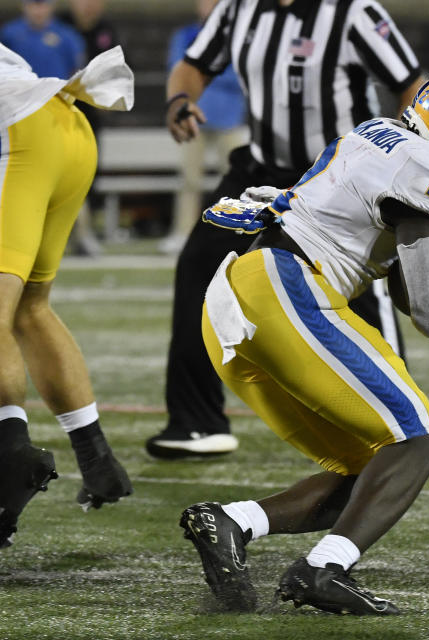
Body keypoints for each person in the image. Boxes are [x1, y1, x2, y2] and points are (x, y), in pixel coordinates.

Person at [178, 68, 429, 614]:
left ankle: (230, 523)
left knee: (370, 470)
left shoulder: (378, 134)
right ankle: (323, 569)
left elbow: (425, 225)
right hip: (287, 288)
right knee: (419, 438)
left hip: (233, 298)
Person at [146, 0, 426, 459]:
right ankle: (196, 423)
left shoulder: (354, 12)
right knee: (199, 264)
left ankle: (401, 425)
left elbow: (410, 83)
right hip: (260, 171)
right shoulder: (239, 9)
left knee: (362, 289)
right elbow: (194, 65)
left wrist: (397, 156)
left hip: (337, 176)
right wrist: (181, 99)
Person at [0, 43, 134, 548]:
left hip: (20, 133)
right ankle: (96, 458)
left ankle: (10, 456)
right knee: (31, 310)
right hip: (67, 127)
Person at [159, 0, 247, 256]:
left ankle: (237, 232)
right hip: (194, 117)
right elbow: (178, 70)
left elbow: (240, 73)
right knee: (189, 179)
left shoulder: (237, 33)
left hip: (230, 117)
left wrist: (202, 74)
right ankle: (183, 233)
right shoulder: (185, 35)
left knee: (236, 181)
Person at [59, 0, 121, 257]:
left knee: (86, 176)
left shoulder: (107, 31)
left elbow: (114, 72)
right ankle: (68, 234)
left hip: (89, 117)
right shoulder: (61, 29)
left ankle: (83, 234)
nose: (88, 5)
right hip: (59, 113)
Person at [1, 0, 85, 81]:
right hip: (21, 91)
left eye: (43, 5)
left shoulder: (67, 35)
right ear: (24, 6)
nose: (37, 11)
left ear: (52, 6)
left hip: (56, 92)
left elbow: (77, 69)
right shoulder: (9, 33)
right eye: (32, 5)